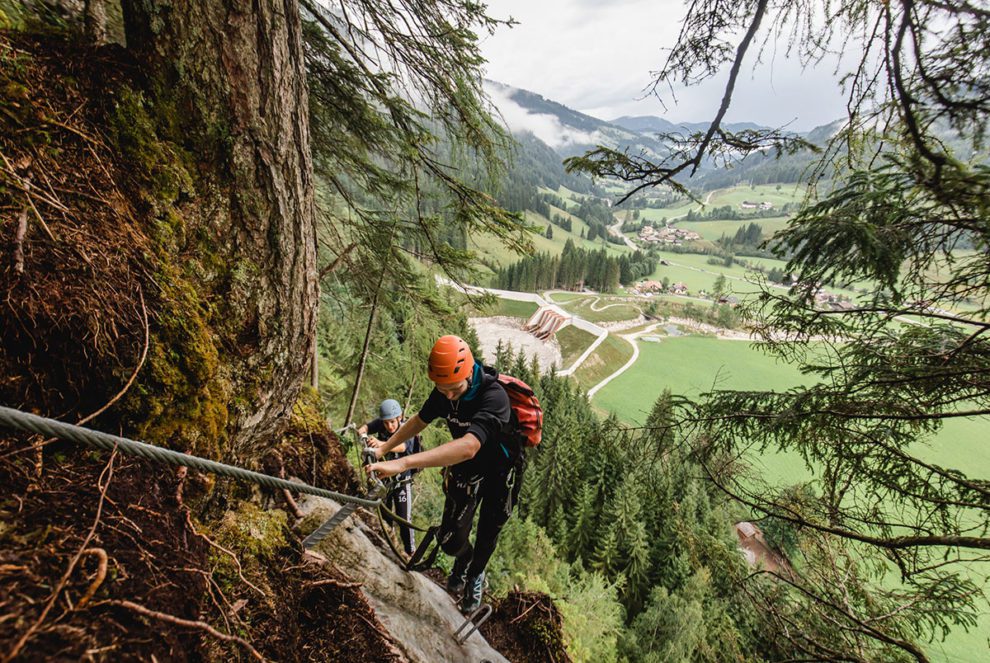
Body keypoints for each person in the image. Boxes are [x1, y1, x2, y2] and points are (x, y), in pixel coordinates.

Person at [366, 335, 524, 614]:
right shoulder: (444, 391)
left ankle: (475, 576)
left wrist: (403, 463)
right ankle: (463, 559)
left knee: (489, 529)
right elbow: (419, 420)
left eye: (454, 389)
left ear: (468, 374)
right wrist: (384, 449)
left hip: (501, 471)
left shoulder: (494, 396)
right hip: (467, 469)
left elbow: (469, 446)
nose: (448, 396)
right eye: (442, 389)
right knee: (451, 540)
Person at [358, 398, 421, 555]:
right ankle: (389, 545)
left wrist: (380, 444)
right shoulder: (382, 423)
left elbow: (402, 447)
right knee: (386, 517)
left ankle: (410, 552)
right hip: (385, 480)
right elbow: (364, 428)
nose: (389, 426)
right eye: (386, 423)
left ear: (399, 418)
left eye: (392, 422)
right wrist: (363, 435)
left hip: (401, 482)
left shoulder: (408, 428)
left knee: (404, 520)